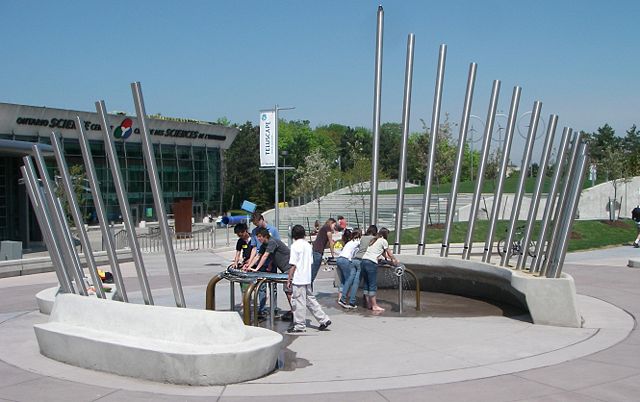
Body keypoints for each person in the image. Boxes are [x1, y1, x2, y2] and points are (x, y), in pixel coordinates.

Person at [287, 225, 331, 334]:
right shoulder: (308, 245)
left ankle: (299, 325)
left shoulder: (294, 246)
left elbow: (293, 264)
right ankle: (323, 319)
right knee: (311, 299)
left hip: (299, 278)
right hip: (307, 277)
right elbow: (311, 262)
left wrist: (289, 278)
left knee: (299, 302)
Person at [361, 227, 398, 312]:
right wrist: (395, 260)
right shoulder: (383, 241)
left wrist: (389, 258)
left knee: (367, 284)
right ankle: (374, 306)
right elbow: (389, 253)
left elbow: (384, 254)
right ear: (385, 234)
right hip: (371, 263)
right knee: (372, 284)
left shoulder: (375, 240)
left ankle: (368, 304)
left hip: (363, 261)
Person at [350, 225, 377, 308]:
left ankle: (344, 298)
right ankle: (367, 303)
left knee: (352, 281)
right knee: (367, 282)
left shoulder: (362, 238)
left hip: (355, 259)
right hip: (363, 260)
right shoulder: (373, 238)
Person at [336, 228, 361, 309]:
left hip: (339, 259)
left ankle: (341, 298)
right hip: (346, 260)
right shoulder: (358, 242)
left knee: (344, 280)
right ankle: (343, 299)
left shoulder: (350, 242)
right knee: (349, 280)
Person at [311, 218, 337, 283]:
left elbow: (325, 243)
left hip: (316, 250)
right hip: (318, 251)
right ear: (331, 223)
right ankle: (309, 286)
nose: (334, 227)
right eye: (334, 225)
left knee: (313, 270)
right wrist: (333, 254)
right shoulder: (328, 228)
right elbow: (331, 243)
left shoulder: (324, 228)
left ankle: (309, 285)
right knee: (313, 271)